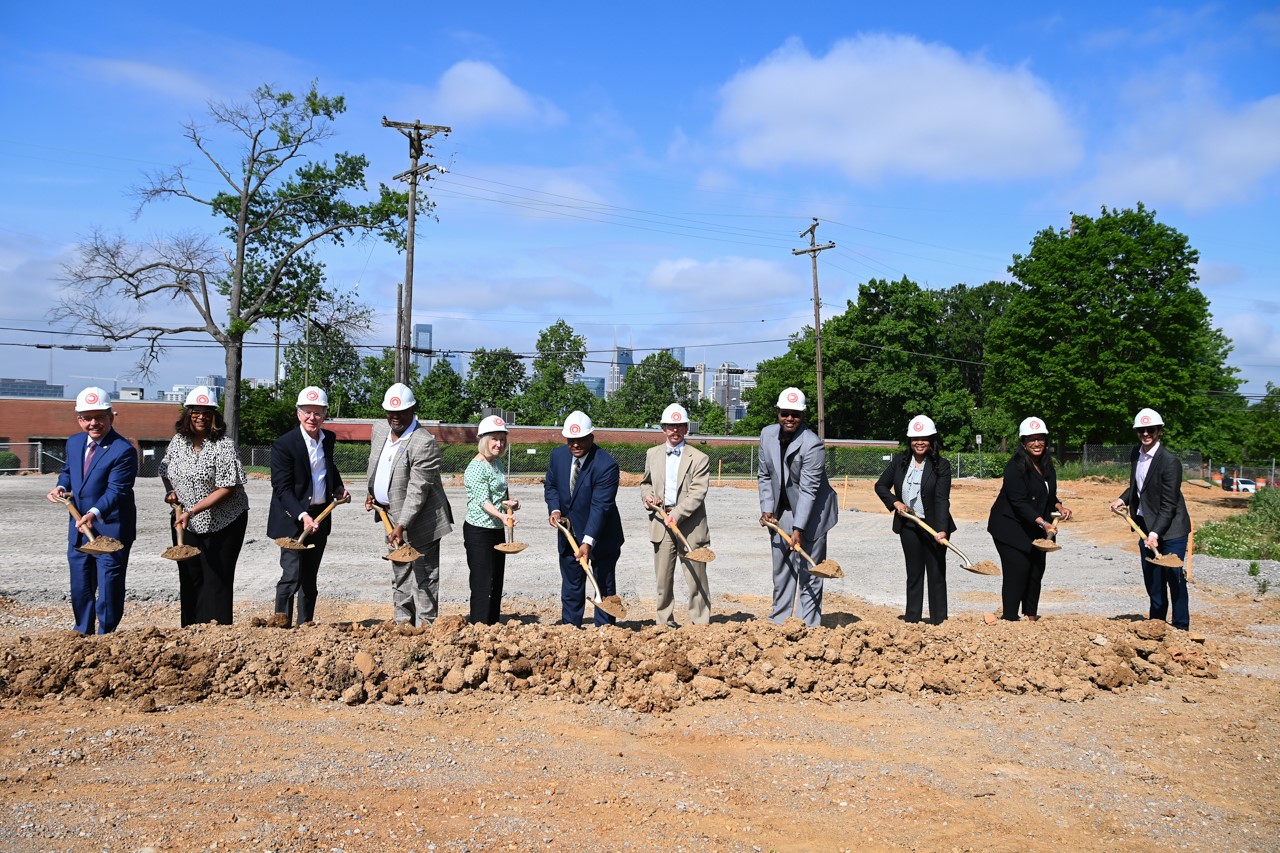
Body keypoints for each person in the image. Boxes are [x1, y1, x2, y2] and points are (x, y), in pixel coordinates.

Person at [45, 386, 138, 635]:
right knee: (81, 585)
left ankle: (105, 636)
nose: (93, 423)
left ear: (111, 416)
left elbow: (117, 491)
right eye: (87, 418)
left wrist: (93, 513)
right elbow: (68, 471)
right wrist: (61, 487)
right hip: (78, 529)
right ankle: (82, 632)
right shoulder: (74, 443)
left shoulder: (123, 450)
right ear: (79, 419)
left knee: (109, 587)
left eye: (100, 417)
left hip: (110, 529)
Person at [158, 386, 250, 626]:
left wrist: (192, 510)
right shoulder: (178, 442)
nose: (201, 417)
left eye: (207, 412)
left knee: (215, 579)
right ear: (187, 414)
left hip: (224, 522)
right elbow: (164, 469)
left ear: (215, 417)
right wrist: (171, 491)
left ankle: (216, 634)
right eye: (196, 412)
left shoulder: (224, 446)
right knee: (190, 576)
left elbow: (227, 487)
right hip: (186, 522)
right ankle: (190, 629)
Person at [365, 383, 454, 627]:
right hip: (390, 517)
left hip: (423, 519)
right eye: (390, 412)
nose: (395, 417)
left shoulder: (423, 442)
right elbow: (377, 465)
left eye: (401, 412)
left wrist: (402, 524)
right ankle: (402, 624)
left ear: (413, 409)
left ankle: (426, 627)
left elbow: (417, 490)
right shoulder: (380, 428)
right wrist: (372, 492)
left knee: (424, 576)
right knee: (400, 572)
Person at [267, 386, 350, 627]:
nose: (312, 418)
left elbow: (327, 468)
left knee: (309, 577)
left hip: (320, 516)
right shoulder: (285, 445)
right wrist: (302, 515)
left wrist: (338, 488)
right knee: (291, 576)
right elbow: (281, 488)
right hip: (293, 519)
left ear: (325, 414)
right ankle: (281, 625)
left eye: (317, 412)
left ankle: (306, 626)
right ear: (298, 413)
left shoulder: (328, 439)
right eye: (307, 412)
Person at [757, 387, 839, 627]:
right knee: (781, 568)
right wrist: (767, 508)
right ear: (778, 413)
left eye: (795, 413)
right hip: (781, 510)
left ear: (803, 416)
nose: (789, 418)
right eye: (785, 413)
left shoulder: (812, 444)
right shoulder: (767, 435)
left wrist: (798, 529)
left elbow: (808, 491)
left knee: (810, 571)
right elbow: (764, 475)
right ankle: (779, 620)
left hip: (813, 513)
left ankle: (807, 625)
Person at [1109, 408, 1193, 631]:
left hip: (1172, 530)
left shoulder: (1169, 462)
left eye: (1150, 429)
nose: (1146, 433)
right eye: (1141, 430)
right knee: (1153, 579)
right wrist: (1122, 499)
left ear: (1159, 431)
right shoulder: (1136, 453)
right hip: (1145, 526)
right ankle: (1157, 625)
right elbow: (1139, 486)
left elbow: (1169, 503)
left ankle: (1180, 628)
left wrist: (1155, 534)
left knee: (1174, 578)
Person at [986, 416, 1073, 623]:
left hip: (1033, 527)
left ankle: (1031, 617)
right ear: (1023, 443)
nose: (1036, 443)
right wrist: (1043, 523)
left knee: (1036, 570)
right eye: (1031, 439)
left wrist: (1059, 505)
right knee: (1018, 570)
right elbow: (1019, 501)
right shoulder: (1015, 467)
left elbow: (1048, 494)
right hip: (1009, 527)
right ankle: (1010, 618)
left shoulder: (1047, 466)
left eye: (1040, 438)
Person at [544, 410, 624, 627]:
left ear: (591, 437)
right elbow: (551, 486)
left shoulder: (606, 465)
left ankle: (605, 629)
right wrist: (555, 510)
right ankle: (571, 627)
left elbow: (601, 506)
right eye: (571, 440)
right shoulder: (558, 456)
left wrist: (587, 542)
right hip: (569, 534)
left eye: (580, 439)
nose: (575, 444)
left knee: (603, 585)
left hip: (601, 536)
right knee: (571, 584)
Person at [874, 414, 955, 624]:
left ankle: (939, 621)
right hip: (908, 525)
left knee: (936, 574)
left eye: (924, 438)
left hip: (934, 526)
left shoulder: (941, 465)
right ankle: (912, 620)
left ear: (931, 440)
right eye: (915, 439)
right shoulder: (900, 463)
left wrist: (942, 529)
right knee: (914, 573)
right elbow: (880, 485)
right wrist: (895, 503)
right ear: (910, 441)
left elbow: (941, 499)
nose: (920, 442)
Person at [641, 403, 712, 627]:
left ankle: (700, 624)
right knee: (663, 579)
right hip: (661, 523)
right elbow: (646, 483)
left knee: (696, 577)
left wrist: (678, 514)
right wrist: (648, 498)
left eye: (679, 426)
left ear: (686, 429)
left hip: (690, 525)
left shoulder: (699, 458)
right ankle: (664, 623)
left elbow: (698, 492)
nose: (675, 430)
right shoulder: (652, 454)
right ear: (663, 428)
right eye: (671, 426)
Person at [462, 415, 518, 625]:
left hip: (495, 528)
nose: (499, 443)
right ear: (484, 440)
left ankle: (493, 625)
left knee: (496, 580)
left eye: (502, 439)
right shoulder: (476, 467)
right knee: (482, 583)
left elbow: (499, 495)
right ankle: (479, 626)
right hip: (479, 531)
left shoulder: (498, 464)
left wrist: (510, 504)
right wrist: (501, 515)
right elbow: (483, 501)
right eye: (494, 439)